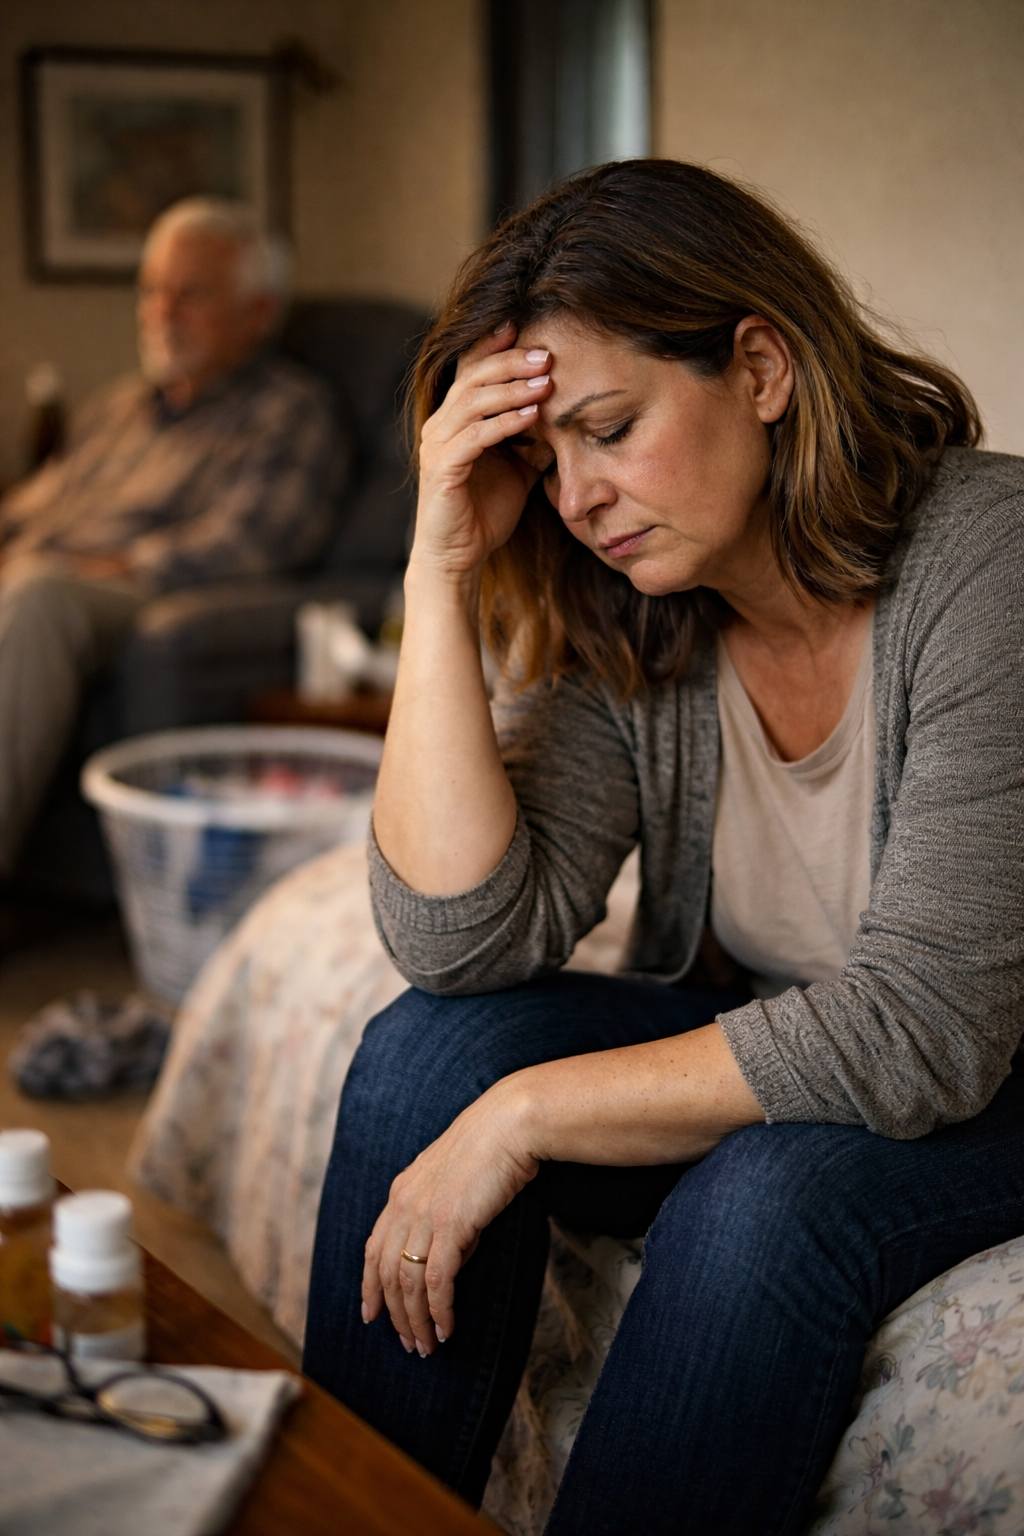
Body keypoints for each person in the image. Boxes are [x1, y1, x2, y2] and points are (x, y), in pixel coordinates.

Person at [301, 161, 1024, 1535]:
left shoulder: (997, 559)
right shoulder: (642, 604)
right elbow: (463, 944)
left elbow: (931, 1027)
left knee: (763, 1200)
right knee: (422, 1053)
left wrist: (524, 1118)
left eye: (608, 427)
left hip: (1003, 1075)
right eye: (539, 456)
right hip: (787, 1031)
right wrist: (434, 573)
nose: (573, 496)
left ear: (759, 366)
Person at [0, 197, 340, 882]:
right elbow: (31, 505)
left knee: (39, 594)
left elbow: (251, 546)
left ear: (259, 314)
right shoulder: (120, 407)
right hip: (39, 568)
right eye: (152, 291)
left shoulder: (289, 410)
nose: (161, 312)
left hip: (121, 593)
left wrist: (81, 562)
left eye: (191, 295)